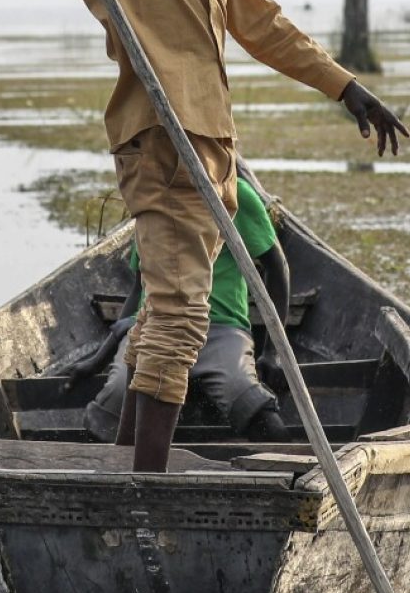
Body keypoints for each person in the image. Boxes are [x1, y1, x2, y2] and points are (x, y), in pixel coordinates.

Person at [0, 0, 408, 472]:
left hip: (212, 139)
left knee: (163, 316)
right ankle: (146, 479)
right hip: (158, 137)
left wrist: (346, 87)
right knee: (180, 314)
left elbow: (262, 23)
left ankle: (122, 465)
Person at [68, 176, 292, 444]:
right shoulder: (151, 194)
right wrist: (100, 357)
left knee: (251, 403)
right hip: (152, 327)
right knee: (111, 406)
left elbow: (277, 269)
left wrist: (273, 353)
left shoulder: (234, 193)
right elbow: (140, 288)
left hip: (219, 328)